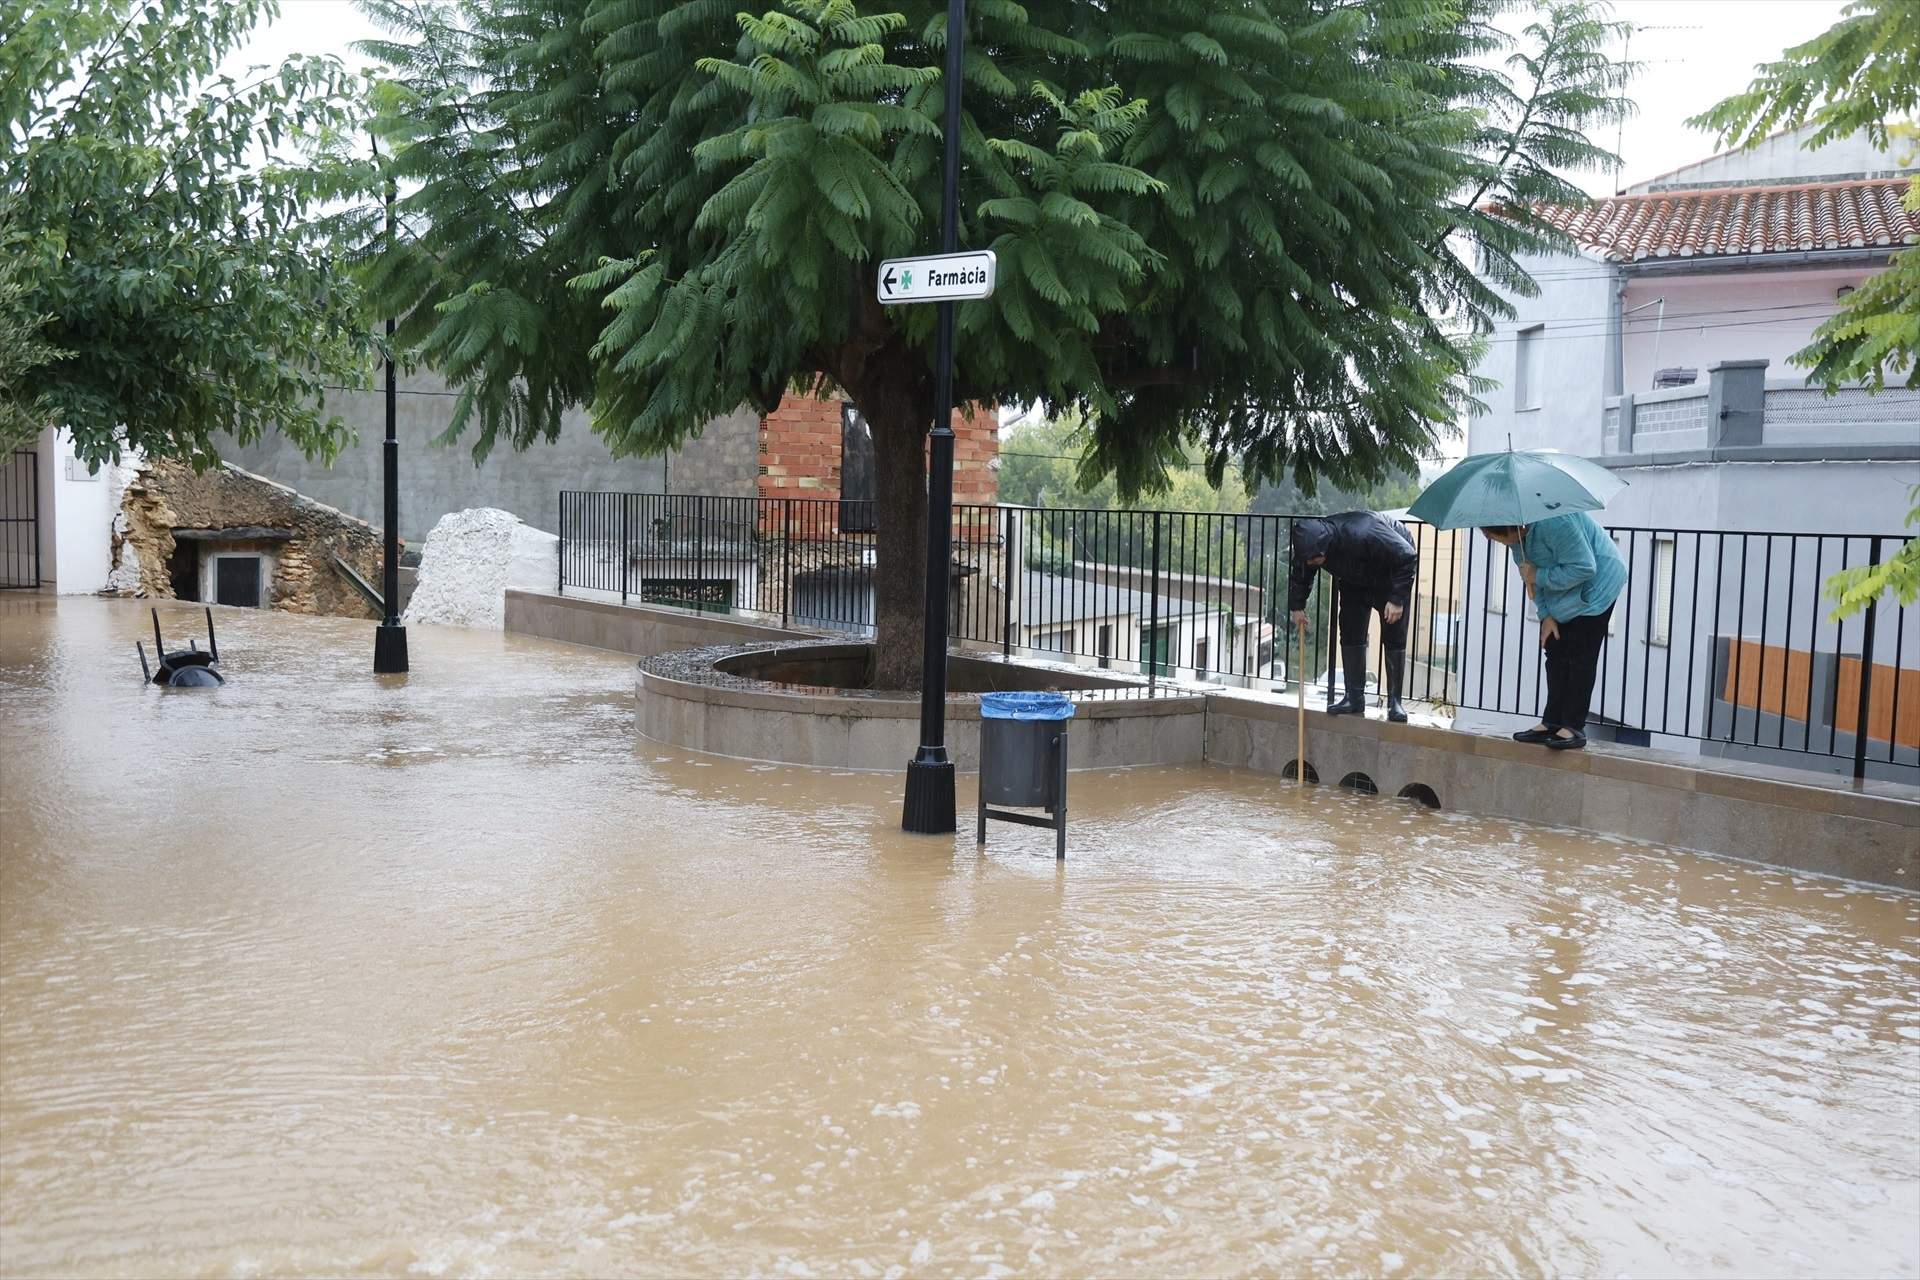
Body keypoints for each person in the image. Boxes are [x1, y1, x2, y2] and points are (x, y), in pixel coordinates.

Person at [1481, 512, 1628, 751]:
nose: (1487, 536)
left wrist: (1538, 575)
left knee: (1580, 655)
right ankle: (1552, 722)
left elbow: (1584, 567)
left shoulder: (1557, 522)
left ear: (1507, 525)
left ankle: (1573, 727)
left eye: (1490, 531)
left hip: (1599, 584)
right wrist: (1546, 615)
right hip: (1566, 591)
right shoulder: (1517, 539)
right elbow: (1530, 581)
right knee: (1555, 650)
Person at [1288, 512, 1419, 722]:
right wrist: (1297, 606)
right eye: (1308, 559)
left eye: (1315, 559)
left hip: (1390, 569)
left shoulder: (1364, 531)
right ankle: (1354, 697)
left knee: (1394, 632)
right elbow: (1302, 571)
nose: (1312, 563)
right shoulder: (1310, 546)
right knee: (1350, 627)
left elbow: (1407, 556)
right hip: (1354, 575)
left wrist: (1397, 599)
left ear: (1326, 546)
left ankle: (1395, 702)